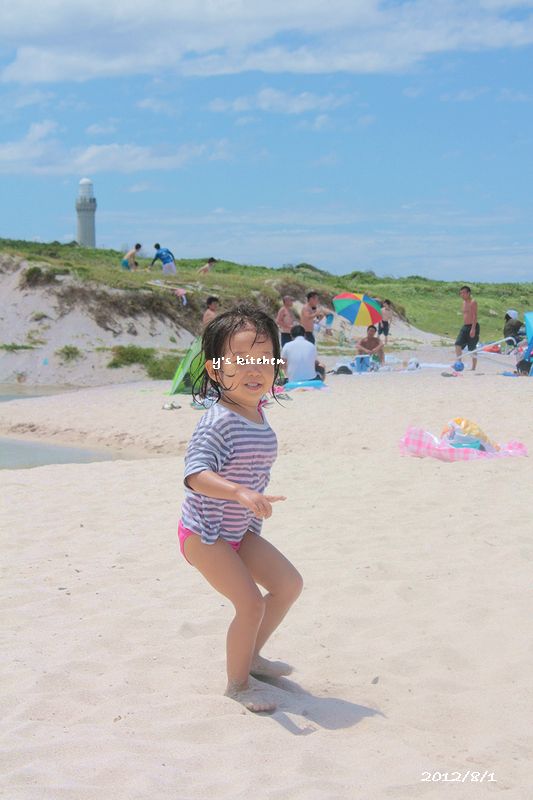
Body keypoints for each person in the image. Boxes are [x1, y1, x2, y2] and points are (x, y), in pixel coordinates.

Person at [179, 304, 303, 713]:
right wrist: (239, 493)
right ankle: (238, 685)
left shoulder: (257, 414)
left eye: (264, 359)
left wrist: (252, 500)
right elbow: (195, 474)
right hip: (205, 534)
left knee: (288, 585)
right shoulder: (218, 421)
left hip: (238, 531)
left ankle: (251, 656)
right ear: (215, 371)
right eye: (240, 360)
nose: (254, 369)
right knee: (250, 604)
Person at [455, 285, 479, 371]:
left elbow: (474, 316)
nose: (462, 295)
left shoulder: (473, 302)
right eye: (460, 293)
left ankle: (473, 367)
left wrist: (473, 328)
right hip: (465, 326)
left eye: (463, 293)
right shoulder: (463, 303)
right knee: (458, 344)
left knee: (472, 348)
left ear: (468, 293)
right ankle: (459, 363)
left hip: (473, 326)